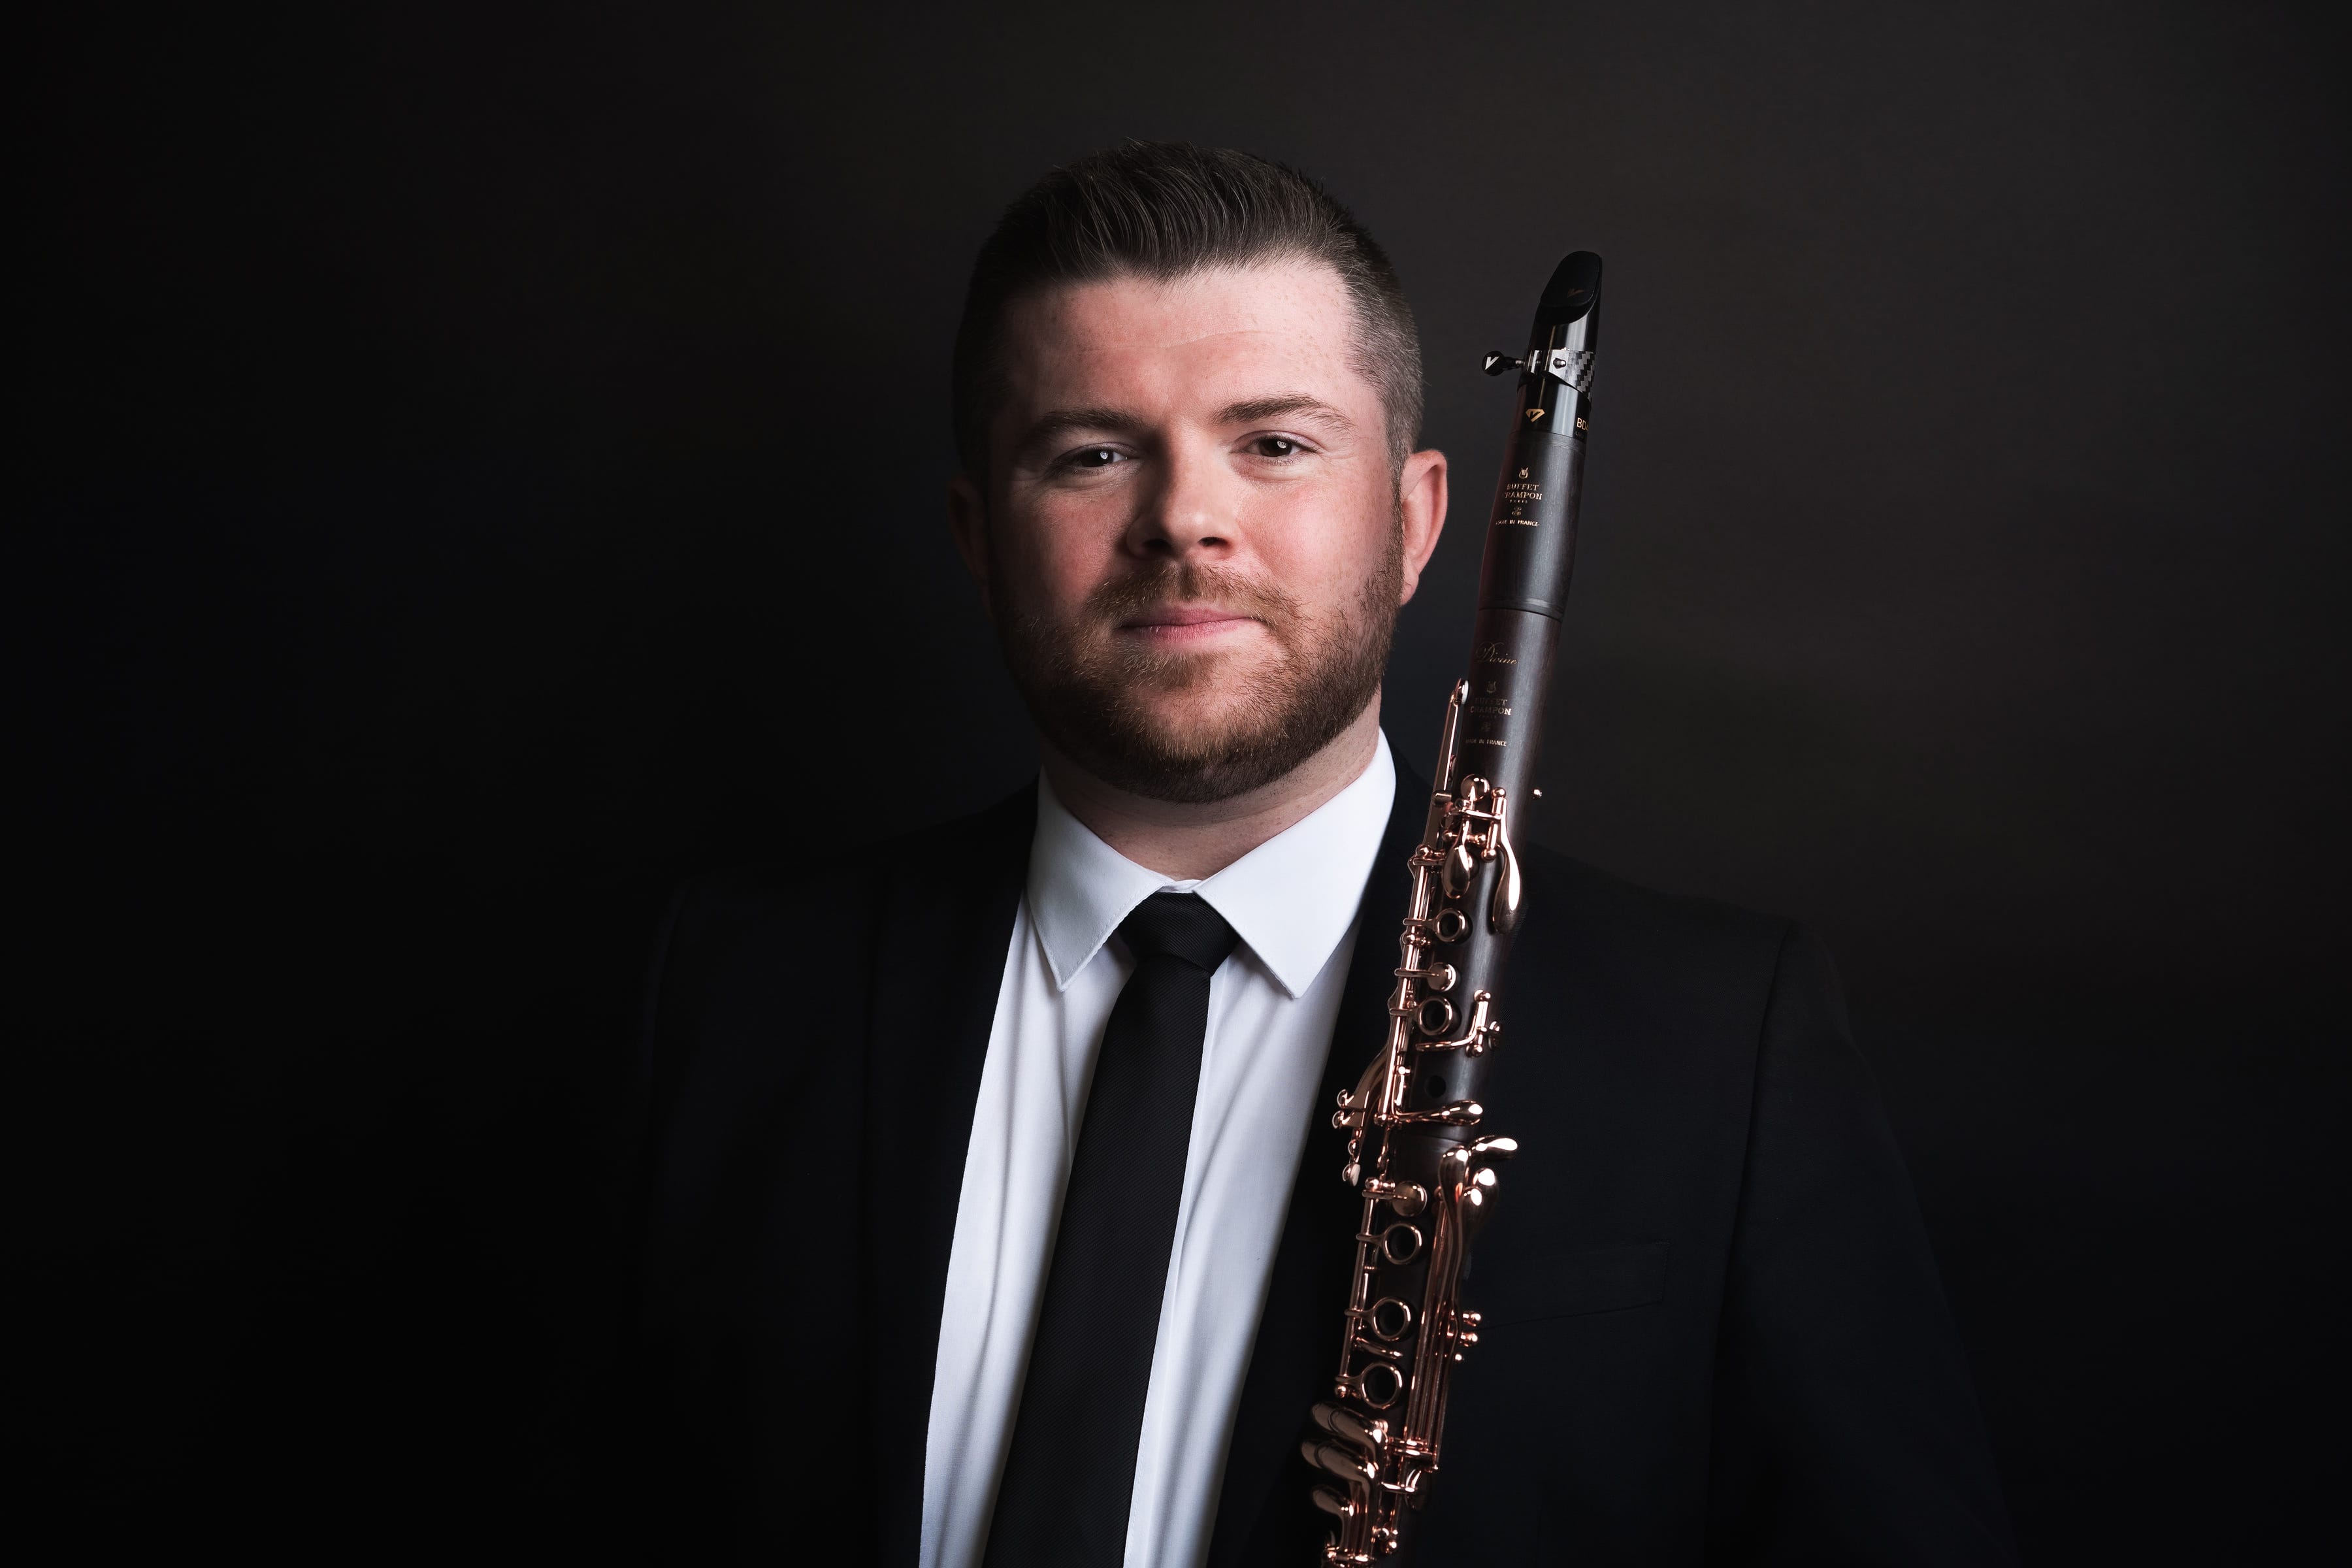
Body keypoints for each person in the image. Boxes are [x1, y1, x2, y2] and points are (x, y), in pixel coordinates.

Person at [619, 142, 2016, 1567]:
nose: (1183, 520)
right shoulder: (735, 992)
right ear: (980, 536)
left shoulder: (1723, 1045)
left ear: (1413, 522)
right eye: (1092, 454)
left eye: (1274, 443)